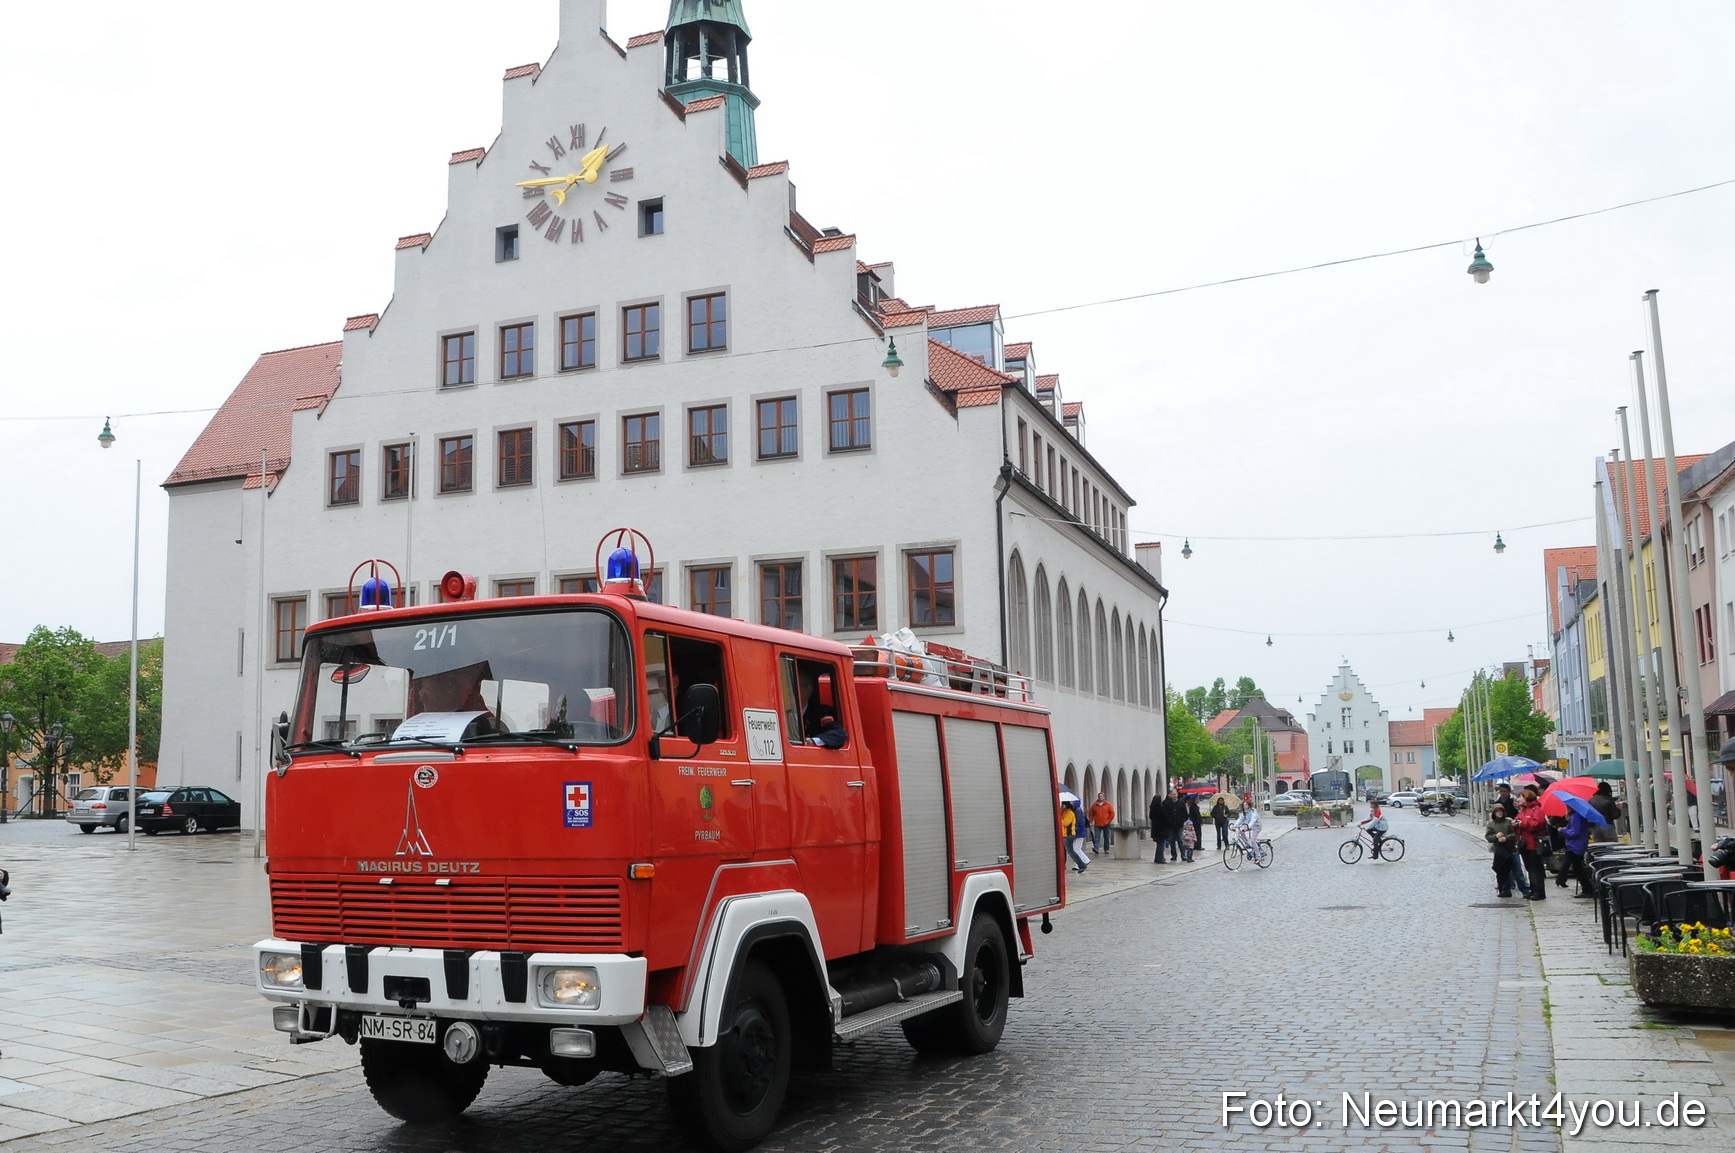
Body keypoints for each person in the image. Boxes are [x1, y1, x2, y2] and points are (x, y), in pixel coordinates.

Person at [1486, 801, 1528, 898]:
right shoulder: (1491, 824)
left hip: (1512, 850)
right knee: (1504, 872)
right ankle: (1505, 890)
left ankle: (1524, 890)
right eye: (1497, 811)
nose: (1499, 813)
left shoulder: (1509, 821)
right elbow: (1488, 837)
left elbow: (1515, 834)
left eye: (1501, 811)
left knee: (1518, 871)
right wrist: (1496, 837)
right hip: (1500, 852)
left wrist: (1506, 837)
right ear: (1494, 813)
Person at [1514, 786, 1549, 901]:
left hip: (1533, 844)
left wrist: (1521, 823)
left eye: (1521, 797)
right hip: (1524, 844)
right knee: (1530, 869)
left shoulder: (1536, 810)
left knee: (1535, 869)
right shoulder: (1523, 810)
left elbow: (1536, 824)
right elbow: (1519, 822)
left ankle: (1539, 892)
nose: (1518, 799)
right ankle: (1533, 890)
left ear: (1527, 797)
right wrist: (1514, 824)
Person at [800, 673, 847, 748]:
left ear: (809, 689)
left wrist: (812, 742)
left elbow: (839, 734)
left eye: (797, 686)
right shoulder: (780, 713)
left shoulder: (822, 712)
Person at [1560, 809, 1595, 897]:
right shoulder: (1578, 816)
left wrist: (1563, 831)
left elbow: (1575, 832)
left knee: (1577, 868)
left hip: (1575, 846)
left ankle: (1587, 889)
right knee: (1577, 867)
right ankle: (1586, 888)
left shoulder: (1576, 817)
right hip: (1578, 845)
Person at [1061, 802, 1089, 873]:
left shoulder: (1070, 813)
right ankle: (1063, 865)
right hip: (1064, 834)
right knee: (1066, 851)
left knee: (1071, 851)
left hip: (1069, 835)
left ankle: (1082, 865)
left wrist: (1059, 819)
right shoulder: (1064, 812)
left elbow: (1065, 823)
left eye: (1062, 805)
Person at [1161, 791, 1187, 863]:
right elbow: (1164, 814)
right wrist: (1168, 821)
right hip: (1170, 825)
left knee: (1180, 840)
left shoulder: (1181, 803)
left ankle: (1183, 855)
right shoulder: (1166, 803)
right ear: (1170, 795)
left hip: (1179, 825)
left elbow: (1185, 814)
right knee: (1171, 840)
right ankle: (1174, 855)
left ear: (1177, 795)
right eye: (1172, 794)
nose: (1174, 796)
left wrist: (1182, 820)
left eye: (1175, 794)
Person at [1148, 790, 1171, 864]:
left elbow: (1150, 817)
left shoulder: (1152, 808)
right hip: (1162, 830)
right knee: (1161, 845)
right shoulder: (1160, 808)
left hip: (1155, 830)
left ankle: (1157, 858)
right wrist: (1169, 824)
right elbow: (1165, 818)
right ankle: (1160, 858)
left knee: (1159, 844)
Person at [1185, 796, 1205, 862]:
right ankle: (1198, 845)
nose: (1198, 800)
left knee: (1197, 833)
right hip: (1196, 823)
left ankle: (1197, 845)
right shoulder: (1194, 806)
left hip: (1194, 822)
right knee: (1198, 834)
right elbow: (1197, 815)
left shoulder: (1193, 806)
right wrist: (1200, 822)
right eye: (1197, 799)